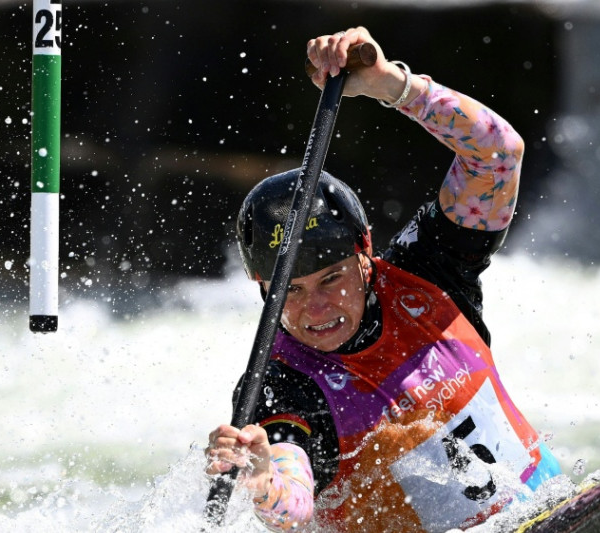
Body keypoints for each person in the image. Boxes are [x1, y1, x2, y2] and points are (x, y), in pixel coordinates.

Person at [205, 26, 560, 532]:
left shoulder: (428, 272)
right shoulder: (283, 383)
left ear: (365, 255)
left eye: (331, 279)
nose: (316, 310)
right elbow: (293, 503)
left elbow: (498, 155)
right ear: (264, 290)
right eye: (291, 292)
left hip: (555, 511)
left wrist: (389, 85)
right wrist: (264, 479)